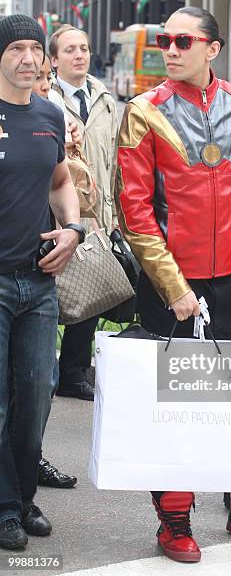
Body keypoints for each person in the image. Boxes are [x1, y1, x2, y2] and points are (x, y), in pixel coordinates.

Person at [116, 6, 231, 564]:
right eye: (166, 41)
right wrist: (173, 287)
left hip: (226, 281)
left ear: (212, 49)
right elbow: (136, 213)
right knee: (175, 407)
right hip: (170, 282)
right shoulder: (142, 113)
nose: (169, 50)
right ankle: (173, 519)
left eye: (182, 40)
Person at [0, 14, 82, 550]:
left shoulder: (50, 115)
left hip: (39, 284)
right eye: (16, 49)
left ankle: (23, 498)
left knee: (34, 401)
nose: (29, 58)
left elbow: (60, 179)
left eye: (36, 48)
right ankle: (7, 508)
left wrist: (73, 229)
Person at [49, 25, 118, 401]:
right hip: (59, 210)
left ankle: (73, 371)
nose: (79, 55)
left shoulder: (105, 98)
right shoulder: (46, 96)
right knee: (56, 293)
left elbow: (116, 158)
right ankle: (47, 369)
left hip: (99, 211)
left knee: (91, 293)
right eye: (70, 50)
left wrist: (116, 214)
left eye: (85, 48)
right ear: (55, 58)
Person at [31, 55, 78, 490]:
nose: (43, 84)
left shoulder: (52, 119)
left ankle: (31, 459)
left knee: (43, 378)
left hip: (48, 261)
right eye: (41, 78)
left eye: (48, 77)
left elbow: (70, 182)